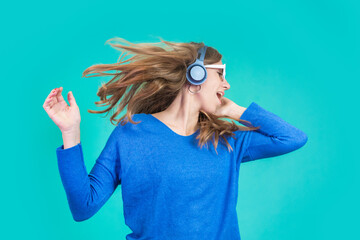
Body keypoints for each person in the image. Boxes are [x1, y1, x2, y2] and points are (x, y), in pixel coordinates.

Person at [43, 37, 308, 240]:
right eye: (221, 75)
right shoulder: (132, 133)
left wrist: (234, 110)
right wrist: (70, 132)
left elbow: (292, 138)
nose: (226, 85)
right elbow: (83, 206)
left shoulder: (226, 140)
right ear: (196, 74)